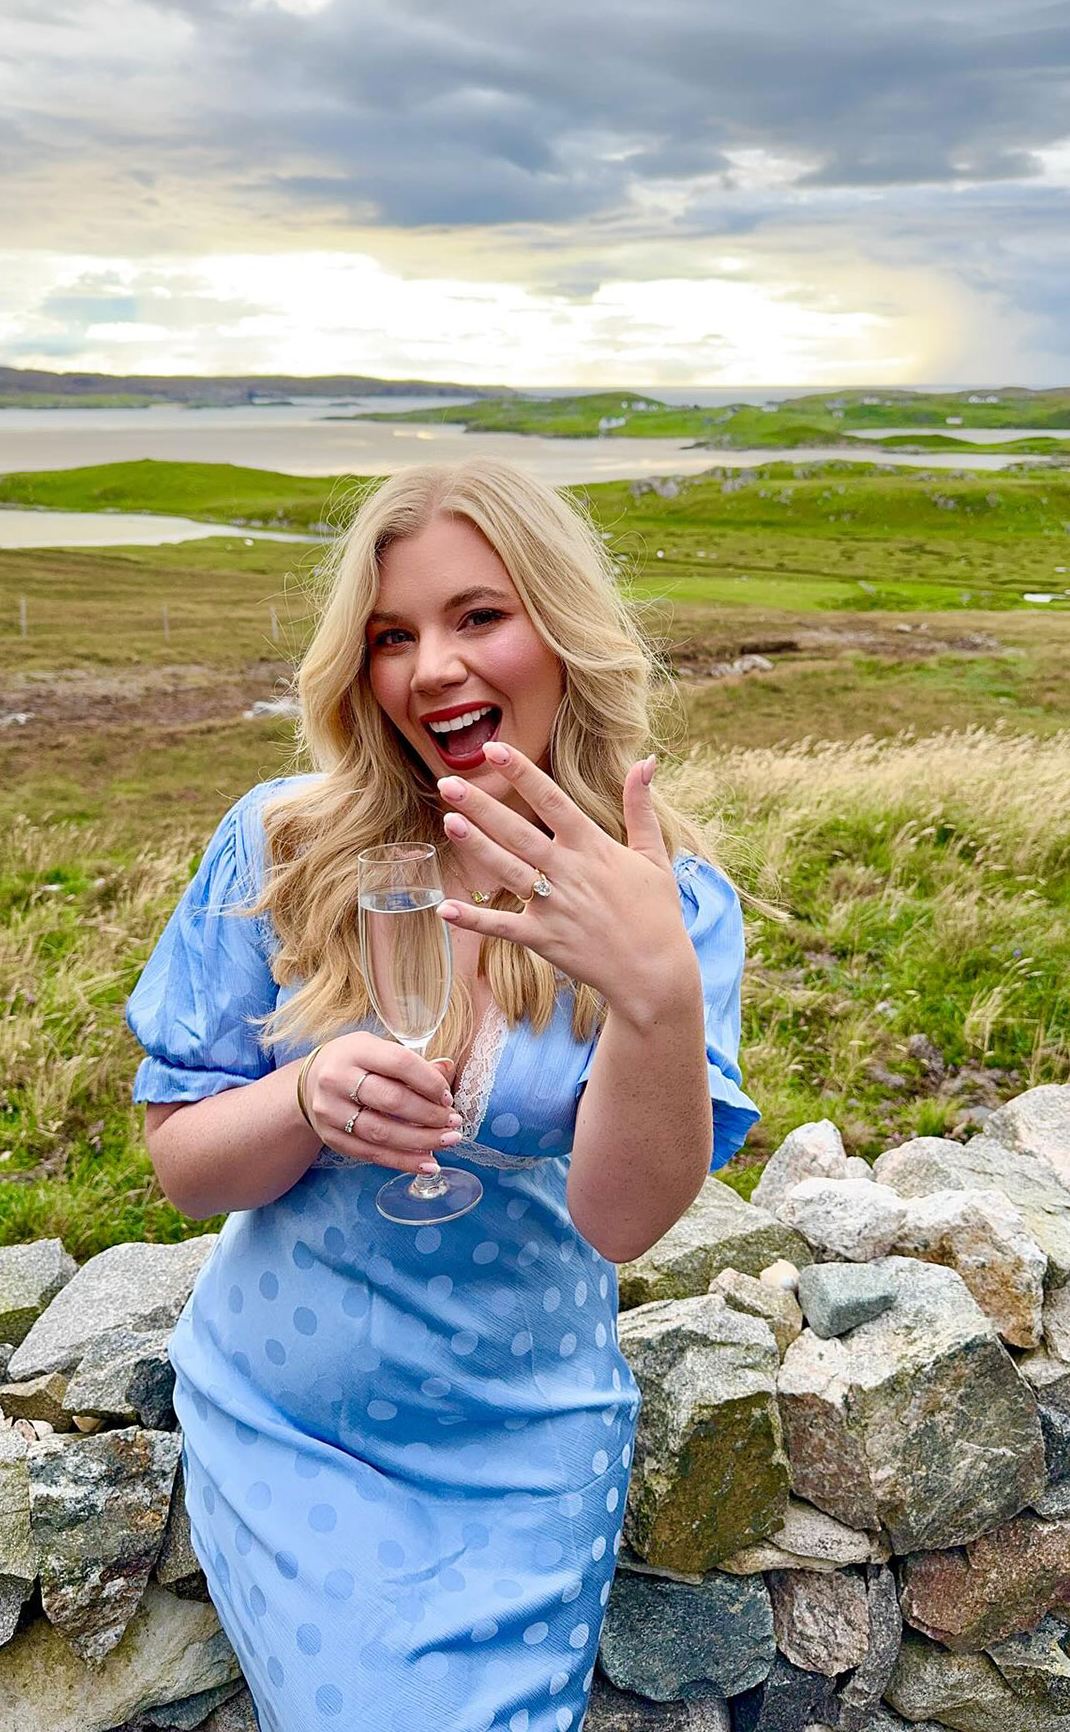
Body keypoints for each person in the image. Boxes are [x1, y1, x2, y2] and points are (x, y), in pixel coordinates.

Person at [126, 457, 759, 1732]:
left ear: (561, 628)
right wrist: (303, 1098)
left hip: (524, 1448)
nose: (432, 669)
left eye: (478, 616)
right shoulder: (281, 844)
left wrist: (655, 992)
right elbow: (185, 1169)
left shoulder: (669, 900)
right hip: (287, 1425)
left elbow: (623, 1220)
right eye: (391, 636)